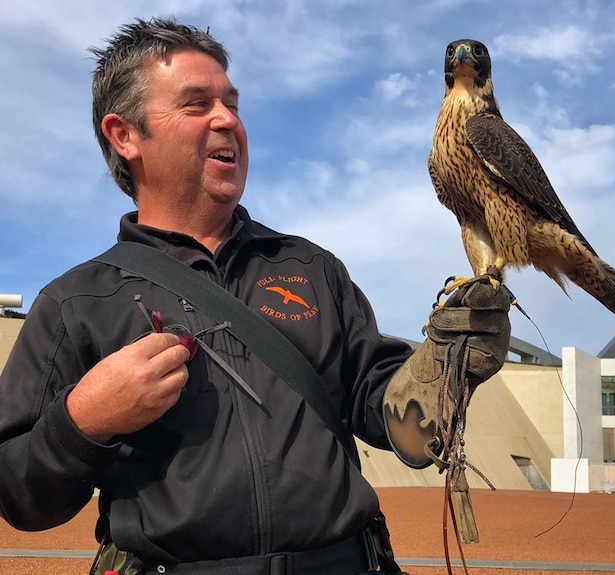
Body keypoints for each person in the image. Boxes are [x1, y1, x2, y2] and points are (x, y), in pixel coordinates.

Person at [0, 17, 511, 575]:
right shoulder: (78, 302)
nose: (227, 120)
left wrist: (444, 367)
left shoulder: (311, 268)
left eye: (232, 104)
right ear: (125, 135)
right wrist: (84, 419)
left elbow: (394, 418)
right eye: (197, 105)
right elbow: (19, 496)